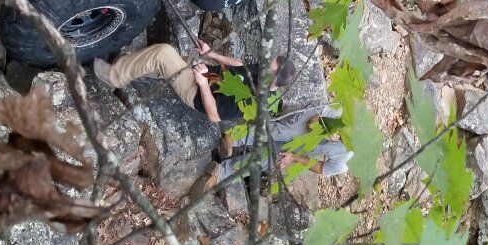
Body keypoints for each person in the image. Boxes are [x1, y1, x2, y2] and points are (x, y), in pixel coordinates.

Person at [93, 42, 294, 124]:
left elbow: (215, 116)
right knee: (167, 61)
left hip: (196, 91)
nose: (265, 63)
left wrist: (203, 84)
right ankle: (129, 64)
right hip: (205, 73)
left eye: (270, 65)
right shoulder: (262, 72)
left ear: (273, 76)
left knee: (163, 53)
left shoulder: (253, 103)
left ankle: (114, 76)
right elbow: (239, 65)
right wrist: (211, 53)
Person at [222, 104, 352, 178]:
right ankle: (235, 138)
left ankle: (221, 173)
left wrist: (294, 158)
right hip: (314, 121)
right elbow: (311, 123)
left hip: (311, 146)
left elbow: (321, 168)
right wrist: (326, 129)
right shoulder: (345, 115)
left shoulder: (345, 161)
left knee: (276, 159)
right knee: (286, 132)